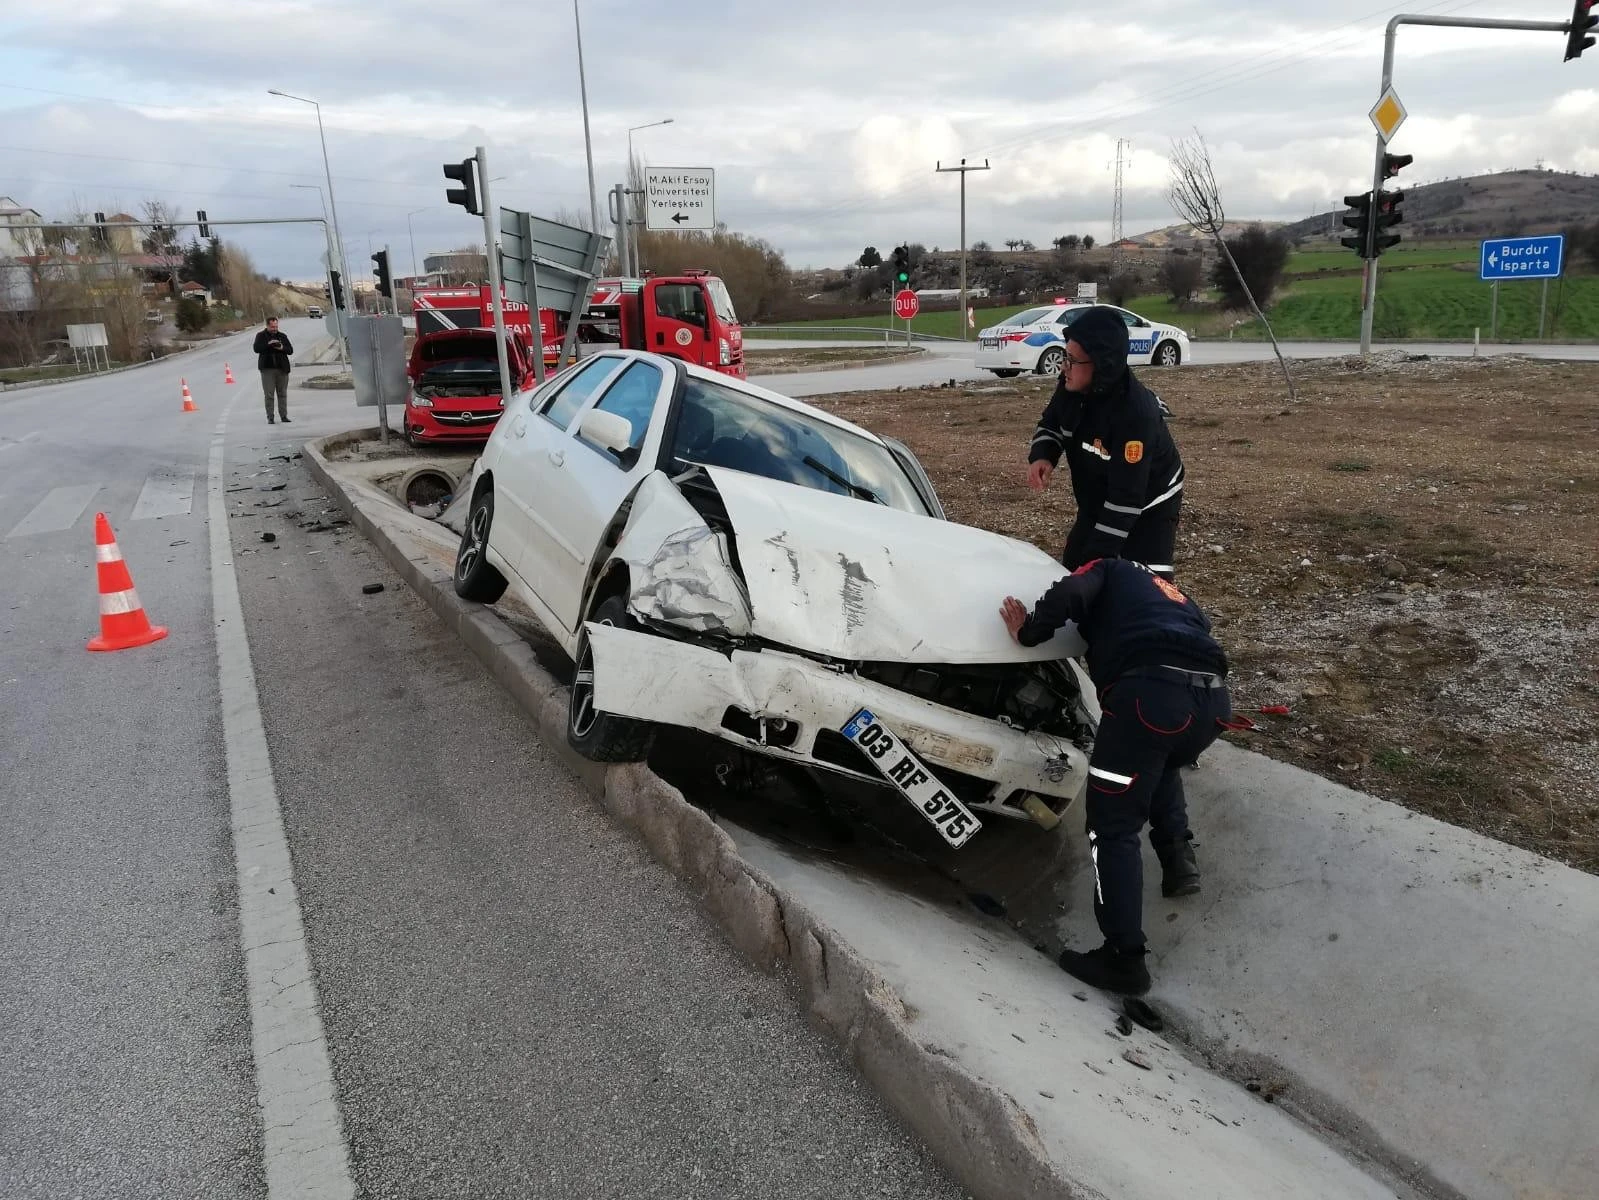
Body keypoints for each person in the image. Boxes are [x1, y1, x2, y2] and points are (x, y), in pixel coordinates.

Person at [1000, 557, 1234, 996]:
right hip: (1212, 707)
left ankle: (1124, 958)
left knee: (1111, 825)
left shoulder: (1106, 566)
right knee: (1158, 758)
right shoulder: (1170, 592)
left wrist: (1030, 631)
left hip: (1149, 698)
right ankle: (1178, 859)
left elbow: (1070, 593)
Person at [1025, 306, 1184, 578]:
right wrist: (1043, 455)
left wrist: (1093, 565)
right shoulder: (1072, 384)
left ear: (1101, 363)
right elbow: (1052, 421)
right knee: (1074, 565)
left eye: (1073, 360)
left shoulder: (1135, 415)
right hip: (1097, 493)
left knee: (1145, 584)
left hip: (1150, 501)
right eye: (1065, 356)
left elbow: (1126, 500)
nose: (1065, 366)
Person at [253, 317, 294, 424]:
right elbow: (256, 349)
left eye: (276, 326)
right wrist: (268, 344)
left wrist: (282, 347)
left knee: (282, 393)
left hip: (282, 369)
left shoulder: (282, 336)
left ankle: (284, 416)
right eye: (272, 327)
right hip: (267, 370)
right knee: (269, 395)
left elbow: (290, 350)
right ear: (267, 326)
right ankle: (270, 417)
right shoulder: (261, 336)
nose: (274, 329)